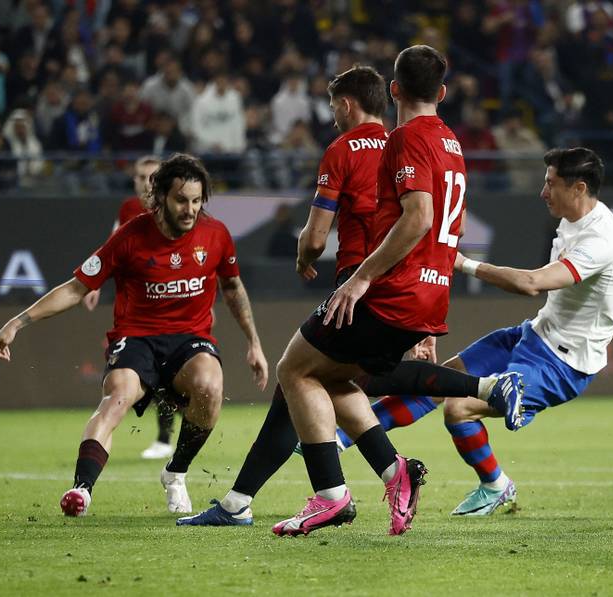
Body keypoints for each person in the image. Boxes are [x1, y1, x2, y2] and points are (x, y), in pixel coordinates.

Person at [178, 62, 521, 533]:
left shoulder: (356, 147)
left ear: (348, 103)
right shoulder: (445, 141)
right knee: (336, 381)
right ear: (439, 92)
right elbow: (440, 222)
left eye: (333, 105)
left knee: (296, 375)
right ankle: (386, 470)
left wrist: (318, 259)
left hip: (371, 286)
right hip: (422, 288)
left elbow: (325, 234)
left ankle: (319, 495)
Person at [331, 147, 613, 517]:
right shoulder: (573, 219)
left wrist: (463, 263)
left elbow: (532, 283)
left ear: (579, 188)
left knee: (459, 409)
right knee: (444, 380)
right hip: (534, 335)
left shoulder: (600, 239)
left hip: (563, 364)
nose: (543, 192)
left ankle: (495, 485)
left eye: (550, 184)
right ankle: (340, 438)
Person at [0, 154, 269, 517]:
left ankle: (175, 472)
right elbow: (76, 288)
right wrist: (17, 323)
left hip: (189, 339)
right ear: (161, 197)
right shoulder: (130, 237)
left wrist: (254, 343)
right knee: (117, 397)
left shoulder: (216, 235)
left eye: (197, 201)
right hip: (137, 339)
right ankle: (82, 489)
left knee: (211, 385)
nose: (190, 210)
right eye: (181, 200)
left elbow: (232, 287)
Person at [82, 155, 180, 461]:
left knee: (170, 373)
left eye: (152, 176)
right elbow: (110, 247)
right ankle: (159, 433)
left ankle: (167, 437)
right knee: (140, 373)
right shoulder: (128, 209)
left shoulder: (176, 208)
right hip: (137, 308)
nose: (145, 182)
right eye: (140, 176)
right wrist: (94, 283)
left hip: (174, 305)